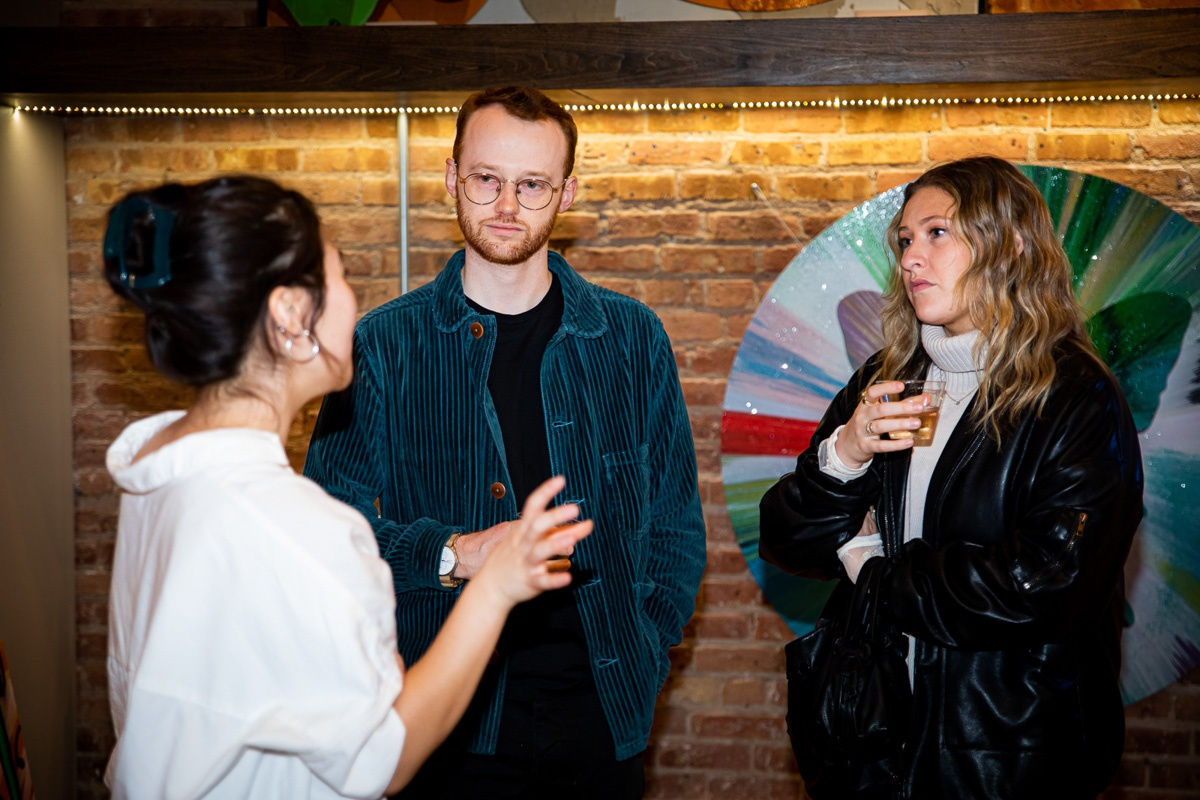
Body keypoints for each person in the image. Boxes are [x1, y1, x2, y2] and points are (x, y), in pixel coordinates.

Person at [101, 176, 592, 798]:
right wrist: (496, 586)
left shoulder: (161, 464)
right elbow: (383, 761)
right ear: (288, 314)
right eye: (341, 279)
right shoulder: (298, 531)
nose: (355, 304)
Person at [303, 86, 706, 798]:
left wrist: (648, 646)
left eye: (532, 185)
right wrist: (454, 553)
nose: (507, 206)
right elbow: (331, 534)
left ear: (568, 192)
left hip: (599, 712)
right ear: (453, 176)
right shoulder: (379, 346)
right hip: (439, 710)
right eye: (487, 180)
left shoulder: (632, 337)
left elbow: (673, 526)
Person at [759, 156, 1143, 799]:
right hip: (873, 751)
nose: (911, 257)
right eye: (906, 239)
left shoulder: (1076, 396)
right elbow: (787, 540)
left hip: (1002, 760)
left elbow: (1042, 585)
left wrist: (871, 568)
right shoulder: (890, 378)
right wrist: (846, 453)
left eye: (938, 233)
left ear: (1013, 244)